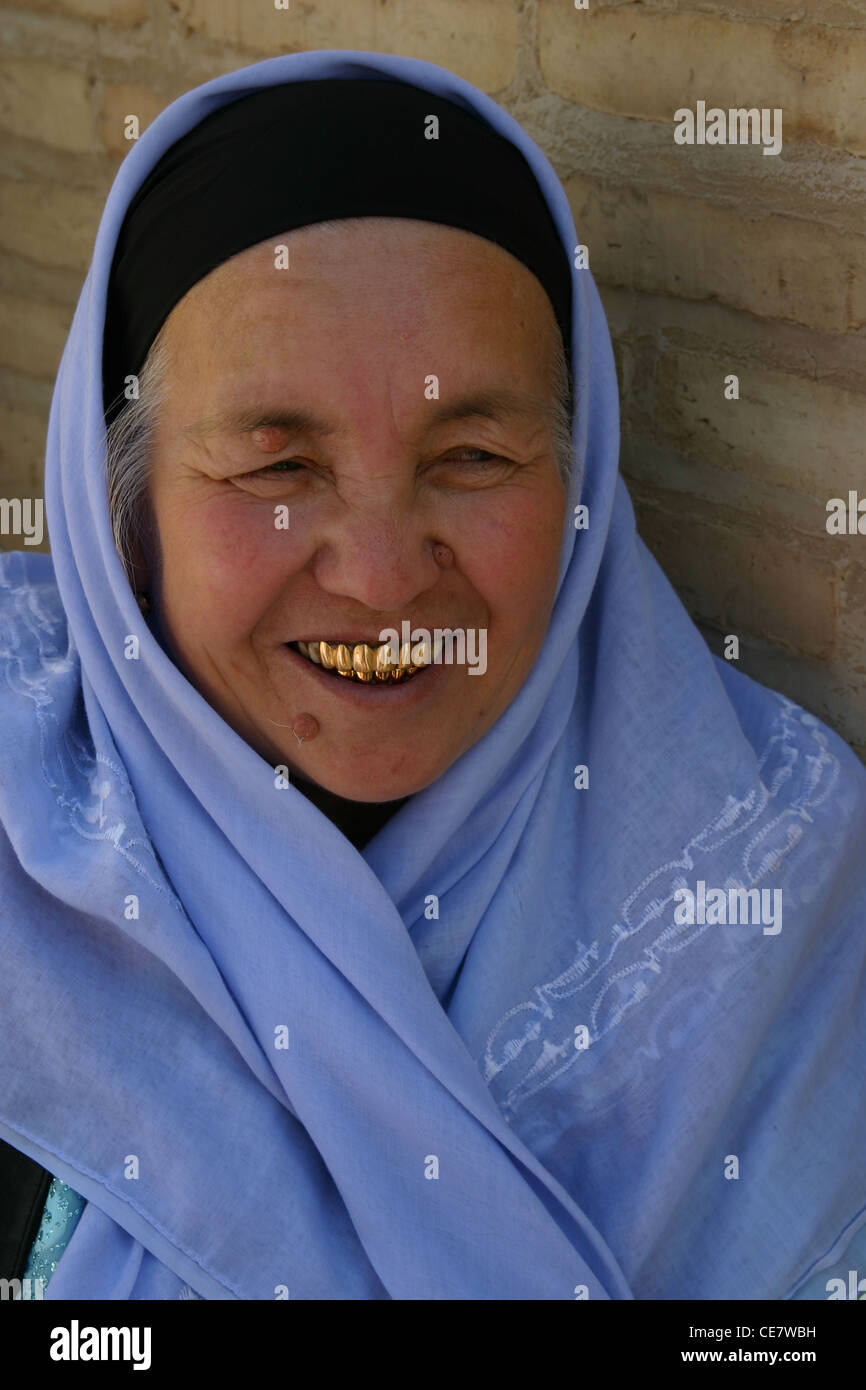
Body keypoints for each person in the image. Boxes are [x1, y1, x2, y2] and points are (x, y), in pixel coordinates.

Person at [0, 49, 864, 1302]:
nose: (383, 578)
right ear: (121, 516)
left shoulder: (780, 881)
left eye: (470, 454)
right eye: (276, 468)